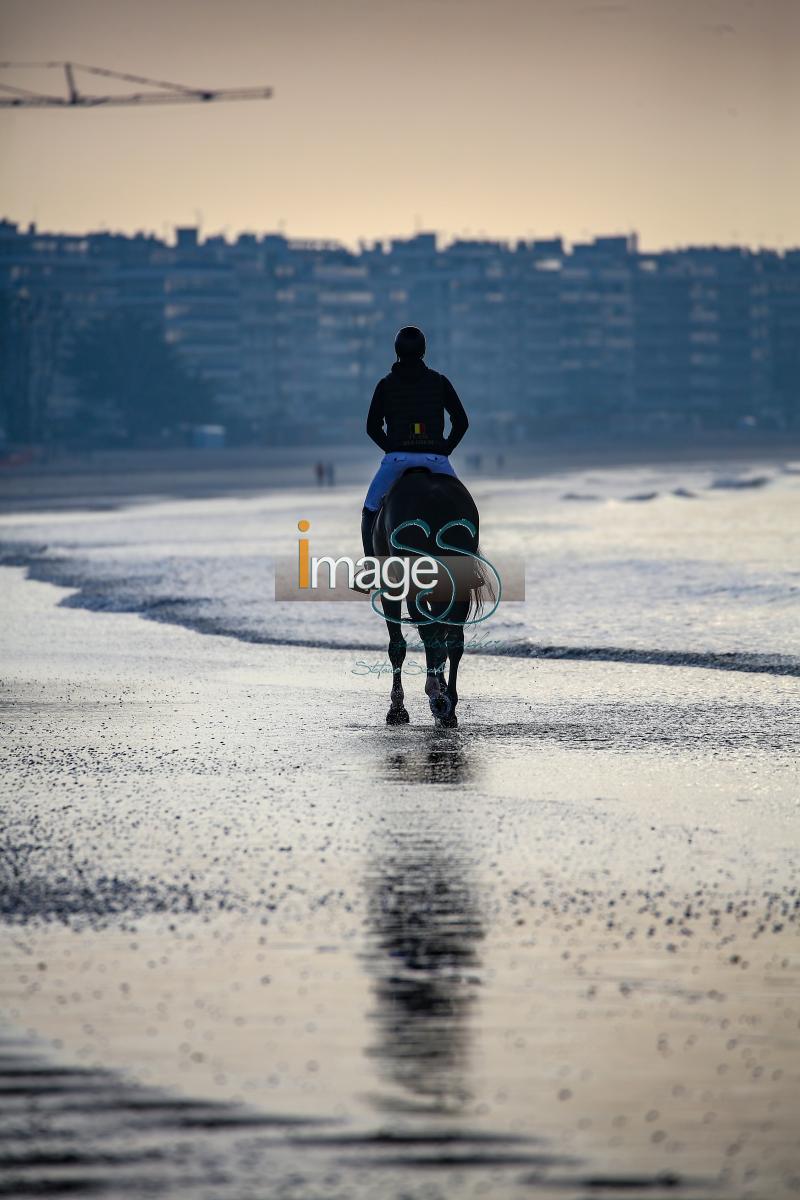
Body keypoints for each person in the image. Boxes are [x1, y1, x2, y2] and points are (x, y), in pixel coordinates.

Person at [361, 326, 469, 556]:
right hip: (435, 459)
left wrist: (392, 448)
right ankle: (470, 567)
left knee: (370, 509)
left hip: (397, 458)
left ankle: (370, 569)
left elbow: (372, 426)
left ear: (396, 351)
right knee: (463, 507)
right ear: (423, 351)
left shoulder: (386, 384)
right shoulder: (439, 381)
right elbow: (461, 421)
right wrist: (445, 448)